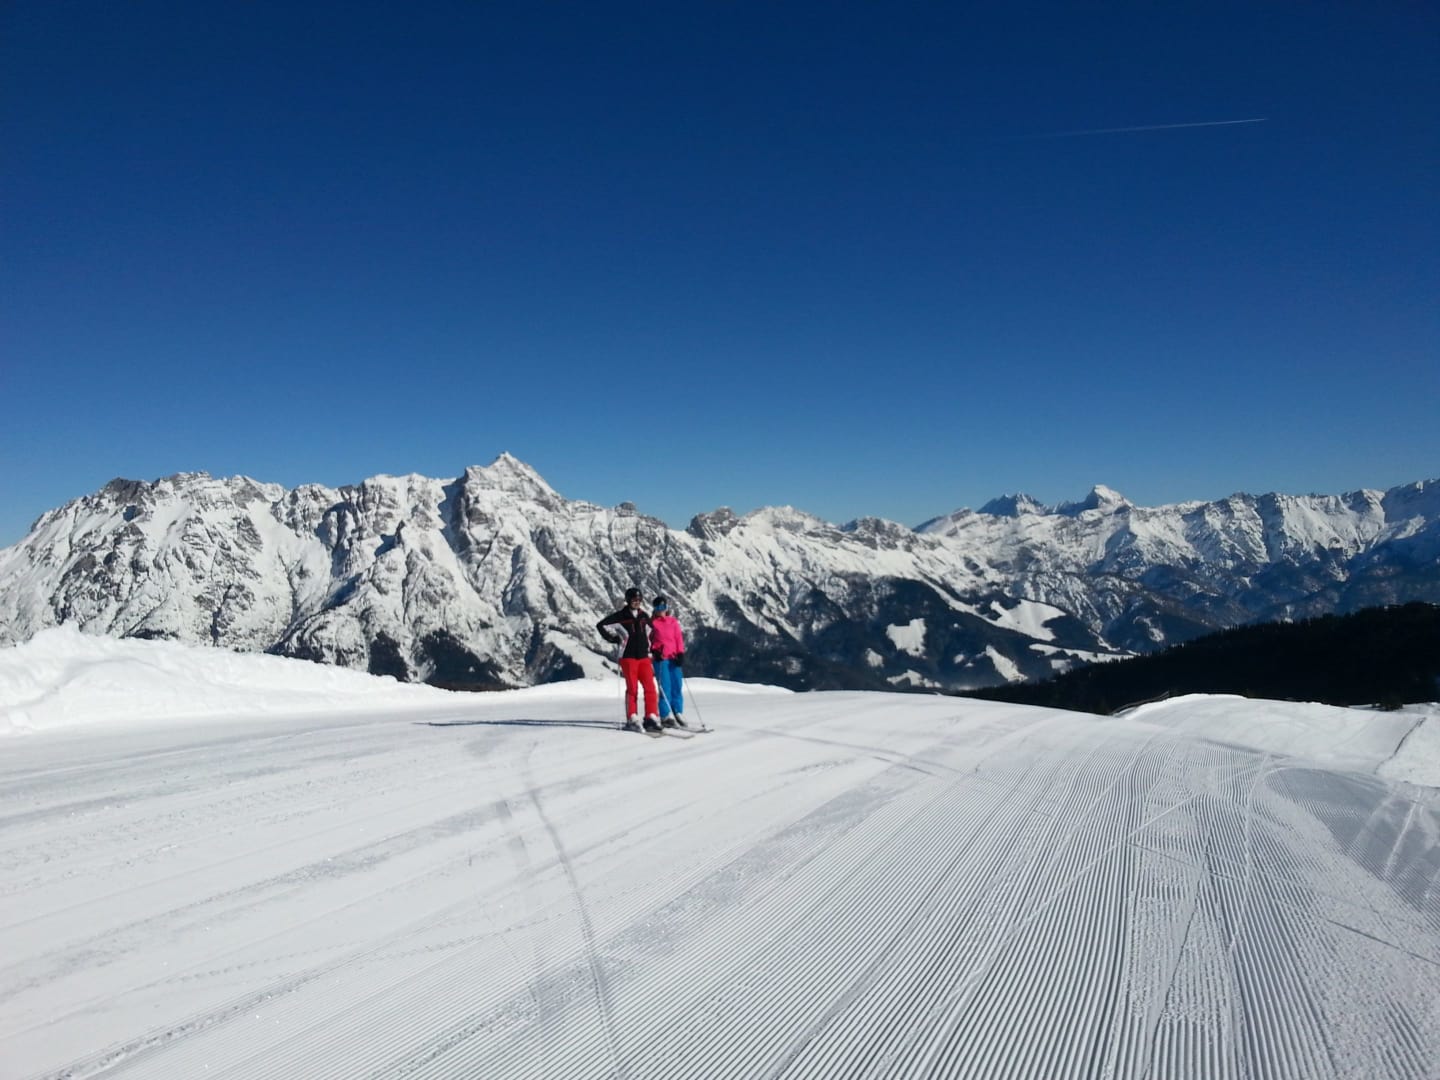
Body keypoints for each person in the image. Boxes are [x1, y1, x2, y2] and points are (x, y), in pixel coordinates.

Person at [596, 587, 661, 733]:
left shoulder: (643, 616)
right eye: (634, 600)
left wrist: (655, 647)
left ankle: (651, 716)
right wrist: (612, 638)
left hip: (644, 656)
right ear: (628, 600)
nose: (637, 602)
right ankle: (632, 718)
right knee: (632, 688)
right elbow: (601, 625)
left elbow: (652, 632)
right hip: (628, 657)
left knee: (650, 687)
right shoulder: (620, 616)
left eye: (639, 600)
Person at [648, 595, 689, 729]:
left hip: (674, 658)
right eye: (658, 607)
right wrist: (654, 651)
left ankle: (677, 711)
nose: (661, 610)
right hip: (661, 659)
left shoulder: (673, 622)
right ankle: (665, 715)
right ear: (654, 609)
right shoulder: (652, 623)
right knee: (665, 687)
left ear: (667, 607)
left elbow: (678, 638)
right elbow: (648, 640)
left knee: (677, 685)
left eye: (663, 607)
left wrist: (680, 653)